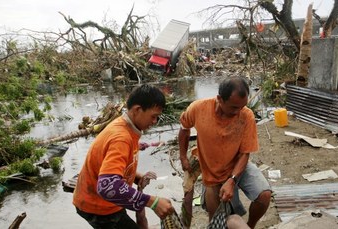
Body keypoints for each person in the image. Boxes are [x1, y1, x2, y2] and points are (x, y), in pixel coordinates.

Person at [73, 84, 175, 228]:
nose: (154, 122)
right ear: (137, 110)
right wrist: (153, 202)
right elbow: (108, 186)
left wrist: (135, 177)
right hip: (97, 206)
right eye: (153, 116)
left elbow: (116, 167)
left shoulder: (129, 128)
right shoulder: (121, 137)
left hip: (106, 201)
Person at [178, 77, 272, 229]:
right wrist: (182, 156)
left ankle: (251, 225)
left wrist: (232, 180)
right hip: (212, 174)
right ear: (219, 99)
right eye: (234, 107)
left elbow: (245, 153)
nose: (238, 112)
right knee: (217, 222)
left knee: (264, 196)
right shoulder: (198, 109)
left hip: (238, 166)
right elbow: (184, 128)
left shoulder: (246, 115)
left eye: (242, 107)